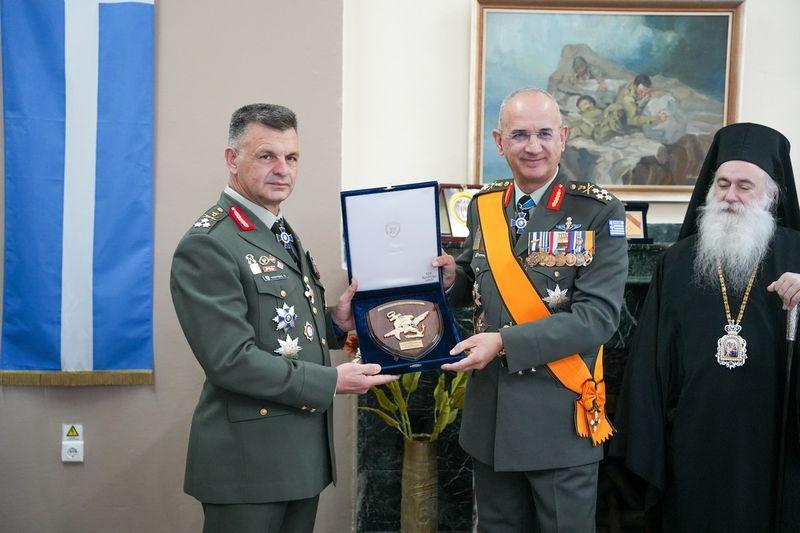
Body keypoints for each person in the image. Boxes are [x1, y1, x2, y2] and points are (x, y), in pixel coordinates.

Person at [170, 103, 396, 533]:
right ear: (232, 159)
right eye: (266, 156)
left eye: (292, 157)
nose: (283, 169)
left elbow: (280, 326)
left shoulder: (276, 229)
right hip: (248, 465)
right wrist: (332, 381)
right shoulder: (210, 243)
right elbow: (230, 361)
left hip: (298, 457)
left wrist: (336, 322)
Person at [432, 88, 629, 531]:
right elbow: (475, 279)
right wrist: (449, 280)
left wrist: (504, 342)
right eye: (519, 135)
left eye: (544, 134)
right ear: (499, 142)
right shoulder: (485, 206)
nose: (533, 147)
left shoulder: (597, 211)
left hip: (558, 419)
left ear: (563, 137)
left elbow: (597, 319)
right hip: (491, 420)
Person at [612, 122, 800, 532]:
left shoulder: (797, 255)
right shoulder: (678, 261)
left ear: (772, 194)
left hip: (771, 438)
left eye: (745, 186)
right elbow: (650, 361)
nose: (731, 196)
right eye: (723, 184)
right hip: (692, 436)